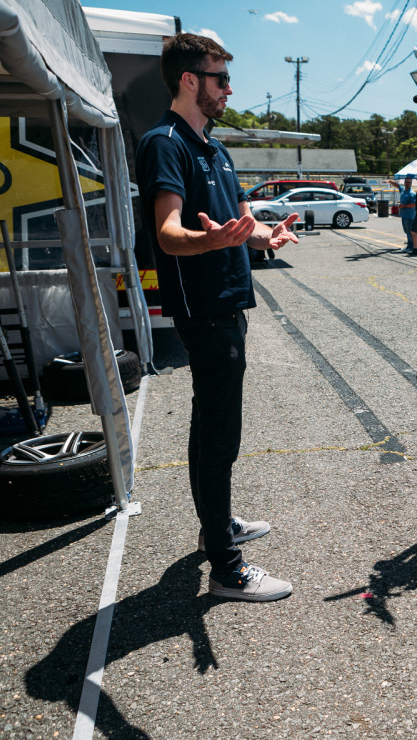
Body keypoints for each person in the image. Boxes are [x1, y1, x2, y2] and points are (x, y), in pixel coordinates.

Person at [137, 32, 297, 601]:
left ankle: (219, 526)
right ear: (189, 80)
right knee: (219, 434)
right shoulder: (166, 143)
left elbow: (237, 224)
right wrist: (211, 245)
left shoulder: (214, 146)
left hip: (230, 304)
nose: (229, 89)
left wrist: (263, 237)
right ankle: (226, 565)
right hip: (203, 312)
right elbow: (169, 233)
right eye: (220, 78)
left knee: (211, 425)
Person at [386, 176, 417, 253]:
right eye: (406, 182)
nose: (407, 183)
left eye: (409, 182)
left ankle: (411, 247)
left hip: (409, 216)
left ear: (411, 184)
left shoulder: (412, 193)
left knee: (410, 232)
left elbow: (414, 204)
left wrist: (404, 206)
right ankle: (409, 246)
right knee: (406, 231)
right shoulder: (403, 190)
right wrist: (390, 181)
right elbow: (397, 186)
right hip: (403, 215)